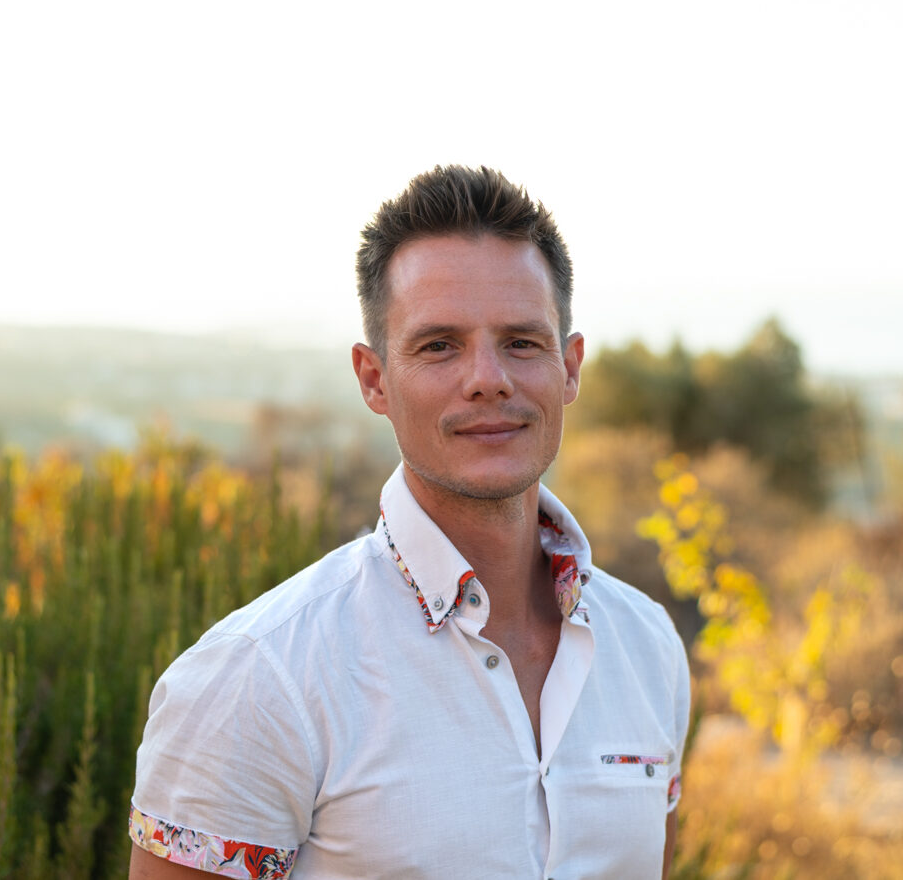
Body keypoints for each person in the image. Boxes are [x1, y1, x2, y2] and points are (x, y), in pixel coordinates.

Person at [128, 165, 691, 879]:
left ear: (570, 367)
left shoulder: (647, 647)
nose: (488, 378)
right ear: (375, 379)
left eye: (522, 342)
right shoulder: (258, 678)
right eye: (439, 346)